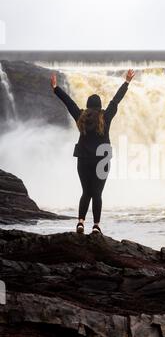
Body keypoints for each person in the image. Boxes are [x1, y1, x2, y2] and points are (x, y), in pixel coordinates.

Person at [51, 69, 135, 234]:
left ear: (88, 106)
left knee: (86, 193)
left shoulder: (80, 116)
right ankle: (96, 226)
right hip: (102, 161)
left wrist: (56, 88)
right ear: (100, 106)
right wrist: (126, 82)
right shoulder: (106, 116)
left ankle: (81, 223)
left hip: (83, 159)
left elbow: (69, 103)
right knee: (97, 193)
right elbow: (115, 101)